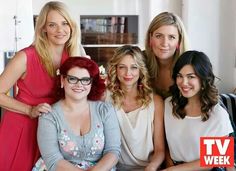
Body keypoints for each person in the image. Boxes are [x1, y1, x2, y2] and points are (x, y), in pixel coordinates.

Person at [0, 1, 86, 170]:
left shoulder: (75, 53)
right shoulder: (25, 57)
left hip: (56, 130)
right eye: (52, 25)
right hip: (22, 128)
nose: (60, 30)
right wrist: (29, 110)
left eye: (64, 23)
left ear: (71, 26)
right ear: (43, 29)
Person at [34, 57, 120, 171]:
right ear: (62, 81)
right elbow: (53, 159)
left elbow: (113, 151)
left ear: (91, 83)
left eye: (85, 80)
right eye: (72, 79)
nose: (79, 85)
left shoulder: (105, 110)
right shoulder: (49, 115)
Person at [163, 50, 234, 171]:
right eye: (180, 76)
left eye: (191, 77)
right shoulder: (169, 105)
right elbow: (165, 144)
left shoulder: (217, 114)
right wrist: (170, 166)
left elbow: (216, 159)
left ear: (203, 80)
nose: (184, 83)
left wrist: (174, 170)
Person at [106, 45, 165, 171]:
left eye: (134, 67)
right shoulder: (105, 99)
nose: (128, 73)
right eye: (122, 67)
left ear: (141, 70)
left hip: (148, 167)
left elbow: (160, 150)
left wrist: (152, 167)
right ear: (115, 69)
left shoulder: (156, 102)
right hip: (114, 168)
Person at [144, 12, 189, 99]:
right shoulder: (139, 61)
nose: (164, 43)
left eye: (171, 37)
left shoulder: (190, 65)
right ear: (150, 38)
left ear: (179, 41)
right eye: (159, 36)